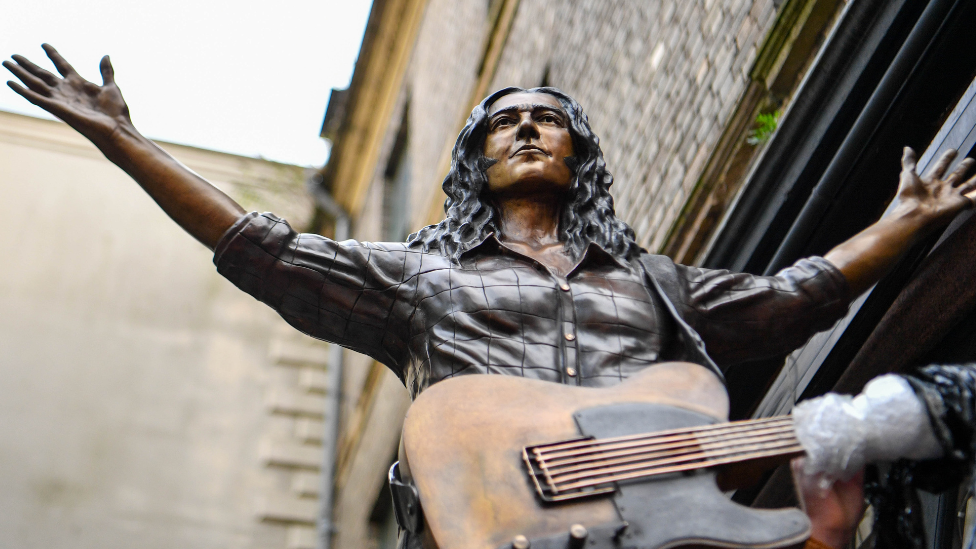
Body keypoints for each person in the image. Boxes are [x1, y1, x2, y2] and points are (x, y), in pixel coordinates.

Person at [5, 45, 976, 549]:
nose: (524, 130)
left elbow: (789, 301)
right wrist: (125, 142)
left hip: (651, 525)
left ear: (576, 158)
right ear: (475, 159)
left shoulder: (655, 284)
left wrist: (905, 220)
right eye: (503, 123)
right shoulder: (423, 276)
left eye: (546, 121)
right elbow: (265, 249)